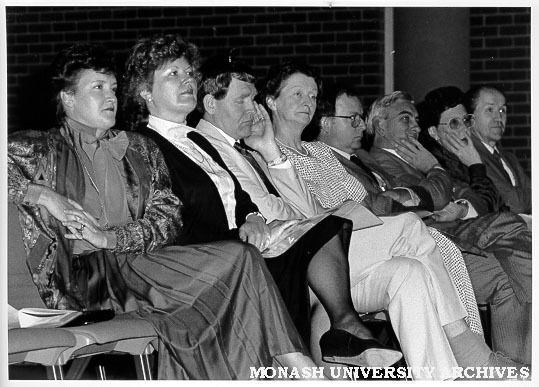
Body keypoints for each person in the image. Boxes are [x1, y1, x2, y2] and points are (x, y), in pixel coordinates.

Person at [7, 43, 330, 380]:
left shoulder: (140, 149)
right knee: (237, 263)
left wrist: (109, 237)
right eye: (98, 88)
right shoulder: (39, 147)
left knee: (224, 287)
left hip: (137, 261)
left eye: (114, 88)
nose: (111, 97)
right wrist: (45, 196)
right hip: (85, 280)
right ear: (68, 99)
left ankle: (285, 368)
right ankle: (299, 368)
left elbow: (168, 220)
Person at [121, 33, 403, 371]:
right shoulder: (141, 146)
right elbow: (173, 217)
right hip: (207, 259)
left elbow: (237, 197)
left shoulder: (198, 140)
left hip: (243, 244)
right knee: (308, 243)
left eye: (188, 73)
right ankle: (319, 351)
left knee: (327, 228)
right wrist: (249, 233)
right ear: (145, 93)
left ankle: (344, 327)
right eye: (173, 74)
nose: (188, 81)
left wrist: (252, 217)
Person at [258, 61, 528, 379]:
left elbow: (363, 204)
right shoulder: (263, 154)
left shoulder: (321, 153)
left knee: (410, 271)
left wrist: (367, 208)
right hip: (319, 264)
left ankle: (445, 376)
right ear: (271, 101)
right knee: (418, 228)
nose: (308, 101)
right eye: (297, 93)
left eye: (313, 94)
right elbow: (305, 216)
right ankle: (469, 348)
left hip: (363, 245)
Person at [367, 90, 531, 364]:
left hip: (462, 234)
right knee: (513, 224)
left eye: (416, 119)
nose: (415, 126)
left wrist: (461, 203)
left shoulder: (417, 158)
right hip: (435, 241)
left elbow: (476, 197)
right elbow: (437, 197)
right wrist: (435, 171)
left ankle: (516, 367)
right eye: (405, 118)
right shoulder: (382, 162)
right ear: (380, 125)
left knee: (510, 277)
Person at [463, 85, 531, 215]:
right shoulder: (472, 156)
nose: (499, 118)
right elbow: (515, 204)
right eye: (490, 110)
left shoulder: (510, 158)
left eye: (502, 111)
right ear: (471, 118)